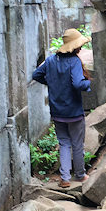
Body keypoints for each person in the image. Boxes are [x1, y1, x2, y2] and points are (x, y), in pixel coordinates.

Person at [32, 28, 91, 188]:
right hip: (74, 112)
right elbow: (78, 83)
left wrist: (52, 83)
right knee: (77, 144)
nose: (80, 48)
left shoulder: (51, 60)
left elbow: (36, 75)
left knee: (64, 143)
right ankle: (80, 175)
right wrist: (88, 84)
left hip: (57, 112)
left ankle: (65, 178)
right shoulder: (74, 61)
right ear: (75, 46)